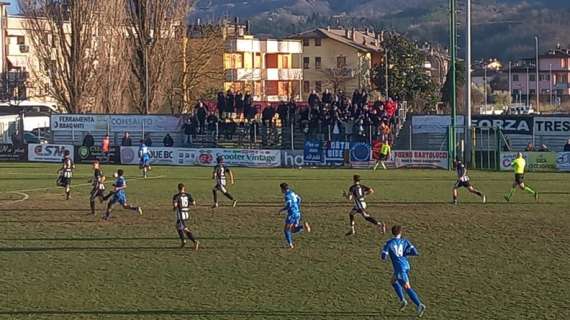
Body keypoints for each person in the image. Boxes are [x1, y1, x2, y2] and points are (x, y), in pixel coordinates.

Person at [381, 225, 426, 318]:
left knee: (407, 287)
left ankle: (419, 305)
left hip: (399, 268)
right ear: (400, 233)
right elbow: (415, 252)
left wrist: (391, 256)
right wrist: (404, 254)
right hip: (406, 265)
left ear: (392, 233)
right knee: (393, 281)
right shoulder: (405, 241)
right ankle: (403, 301)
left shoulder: (389, 243)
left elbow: (383, 256)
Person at [279, 183, 311, 249]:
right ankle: (303, 227)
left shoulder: (287, 196)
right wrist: (297, 207)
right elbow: (299, 199)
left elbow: (289, 205)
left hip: (292, 214)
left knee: (286, 230)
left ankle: (290, 245)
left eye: (281, 189)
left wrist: (282, 210)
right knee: (293, 230)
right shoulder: (292, 193)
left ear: (283, 189)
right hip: (297, 213)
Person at [172, 183, 199, 250]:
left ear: (178, 188)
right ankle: (183, 241)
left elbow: (175, 205)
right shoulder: (188, 195)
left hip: (180, 214)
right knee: (178, 226)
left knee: (184, 228)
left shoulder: (176, 196)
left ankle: (195, 241)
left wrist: (175, 208)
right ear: (184, 188)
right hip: (186, 213)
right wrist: (187, 204)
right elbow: (194, 203)